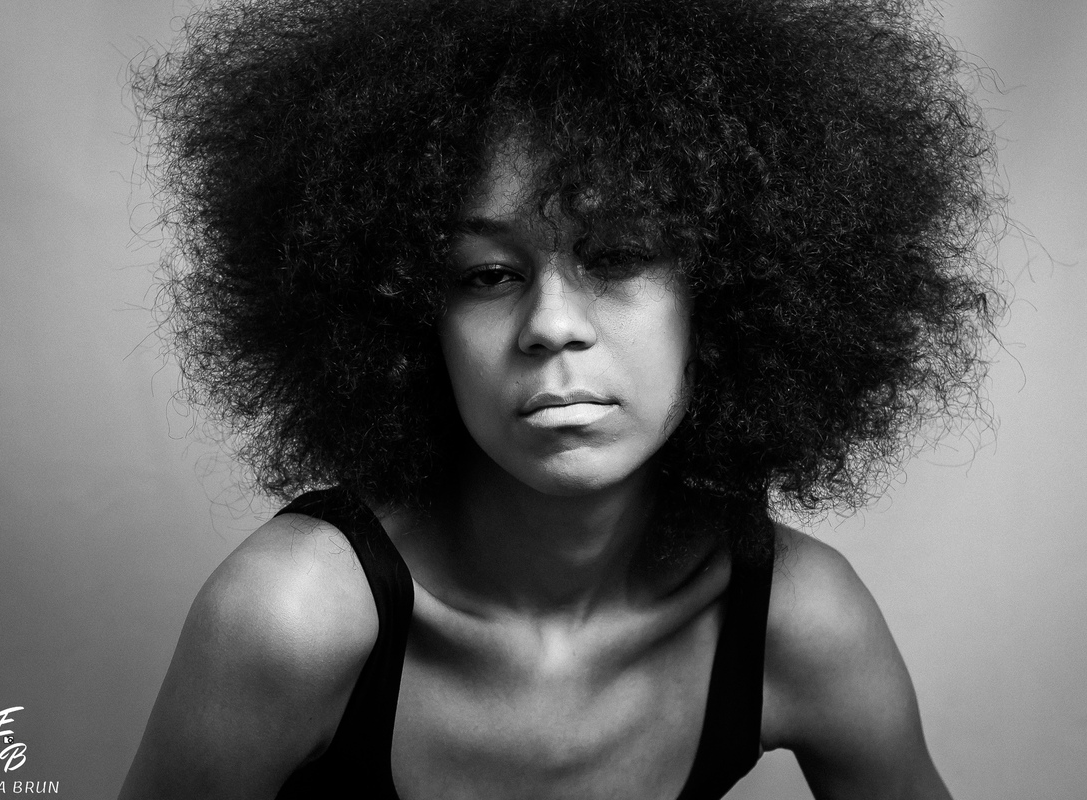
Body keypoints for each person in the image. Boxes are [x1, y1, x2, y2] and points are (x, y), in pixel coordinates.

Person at [122, 0, 1001, 797]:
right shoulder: (291, 616)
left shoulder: (795, 620)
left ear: (728, 294)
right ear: (407, 315)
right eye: (486, 274)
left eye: (616, 256)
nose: (551, 325)